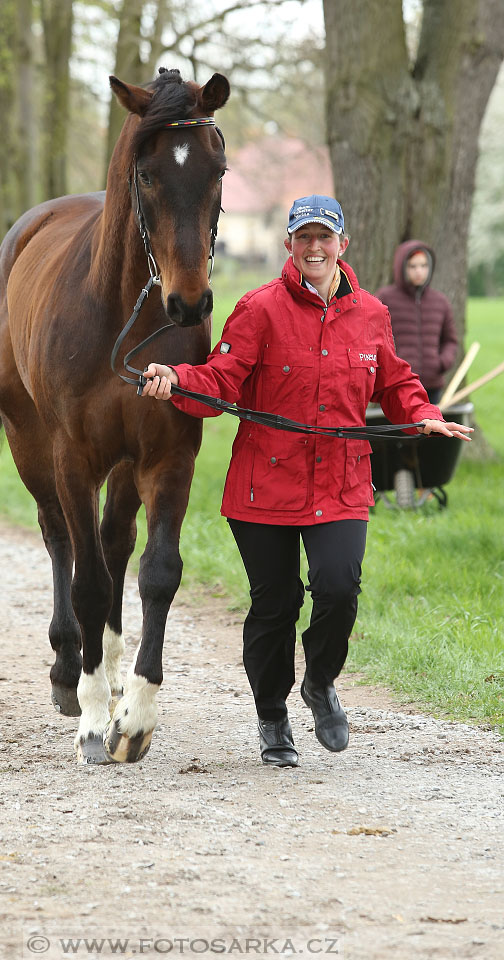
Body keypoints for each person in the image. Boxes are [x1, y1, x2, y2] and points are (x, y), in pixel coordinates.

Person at [140, 195, 472, 768]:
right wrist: (178, 378)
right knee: (276, 603)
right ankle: (272, 716)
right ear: (288, 246)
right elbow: (223, 378)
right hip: (263, 487)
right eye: (303, 237)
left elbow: (393, 380)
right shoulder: (259, 309)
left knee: (339, 589)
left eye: (325, 237)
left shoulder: (371, 314)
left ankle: (320, 682)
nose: (314, 247)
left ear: (343, 244)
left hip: (341, 483)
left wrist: (421, 412)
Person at [376, 241, 458, 405]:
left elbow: (450, 340)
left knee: (431, 431)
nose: (419, 271)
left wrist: (442, 362)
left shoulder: (440, 302)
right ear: (402, 267)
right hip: (398, 385)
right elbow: (372, 338)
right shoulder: (384, 298)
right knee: (400, 431)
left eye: (423, 265)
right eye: (412, 266)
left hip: (432, 387)